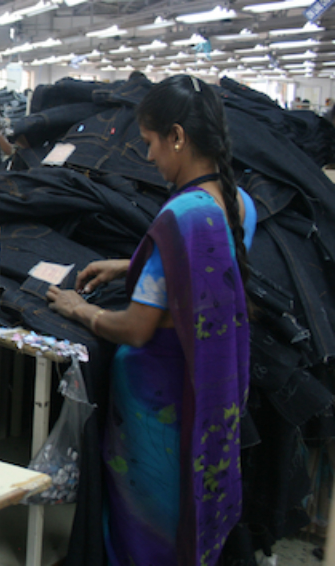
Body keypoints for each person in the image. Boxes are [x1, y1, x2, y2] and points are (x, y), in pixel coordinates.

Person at [45, 75, 252, 566]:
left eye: (151, 143)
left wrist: (82, 310)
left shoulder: (182, 214)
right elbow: (201, 274)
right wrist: (132, 263)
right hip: (198, 399)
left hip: (156, 411)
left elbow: (136, 328)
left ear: (178, 136)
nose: (149, 157)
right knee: (185, 515)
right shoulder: (233, 201)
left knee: (147, 529)